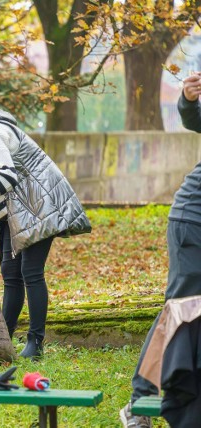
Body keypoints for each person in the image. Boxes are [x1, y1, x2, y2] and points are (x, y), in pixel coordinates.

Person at [0, 80, 91, 359]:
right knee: (11, 276)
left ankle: (35, 344)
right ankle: (3, 340)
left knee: (30, 273)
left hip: (37, 206)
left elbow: (6, 177)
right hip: (16, 211)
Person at [119, 72, 201, 428]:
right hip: (194, 221)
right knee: (182, 309)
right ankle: (140, 401)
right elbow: (195, 117)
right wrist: (188, 97)